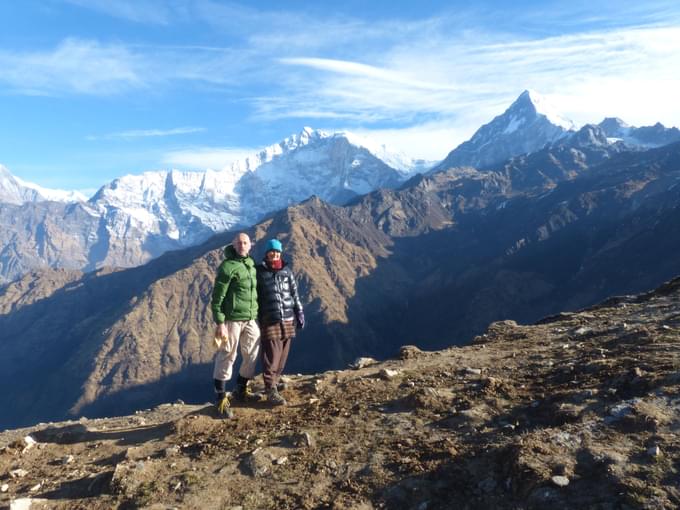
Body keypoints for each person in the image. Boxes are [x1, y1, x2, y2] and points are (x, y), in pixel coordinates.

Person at [211, 232, 260, 417]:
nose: (242, 245)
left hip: (250, 318)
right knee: (227, 355)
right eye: (238, 242)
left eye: (245, 242)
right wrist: (220, 322)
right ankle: (221, 398)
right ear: (233, 245)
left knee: (252, 352)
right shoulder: (227, 267)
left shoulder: (250, 265)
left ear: (250, 245)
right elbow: (217, 297)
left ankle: (241, 388)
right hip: (231, 319)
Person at [256, 238, 304, 405]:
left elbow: (294, 293)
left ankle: (274, 384)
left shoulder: (287, 271)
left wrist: (299, 311)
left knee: (282, 356)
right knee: (271, 356)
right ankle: (270, 389)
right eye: (271, 251)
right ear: (266, 253)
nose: (274, 254)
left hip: (288, 320)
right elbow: (255, 298)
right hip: (270, 320)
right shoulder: (259, 273)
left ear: (280, 253)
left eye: (277, 252)